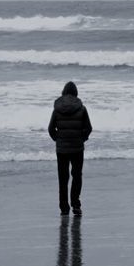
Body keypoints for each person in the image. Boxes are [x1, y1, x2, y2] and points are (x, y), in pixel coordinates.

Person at [48, 81, 92, 216]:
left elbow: (50, 129)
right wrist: (81, 139)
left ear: (64, 92)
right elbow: (88, 128)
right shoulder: (82, 108)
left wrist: (58, 140)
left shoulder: (57, 109)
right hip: (77, 148)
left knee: (63, 178)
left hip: (61, 150)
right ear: (75, 92)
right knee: (77, 176)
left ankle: (64, 208)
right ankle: (76, 205)